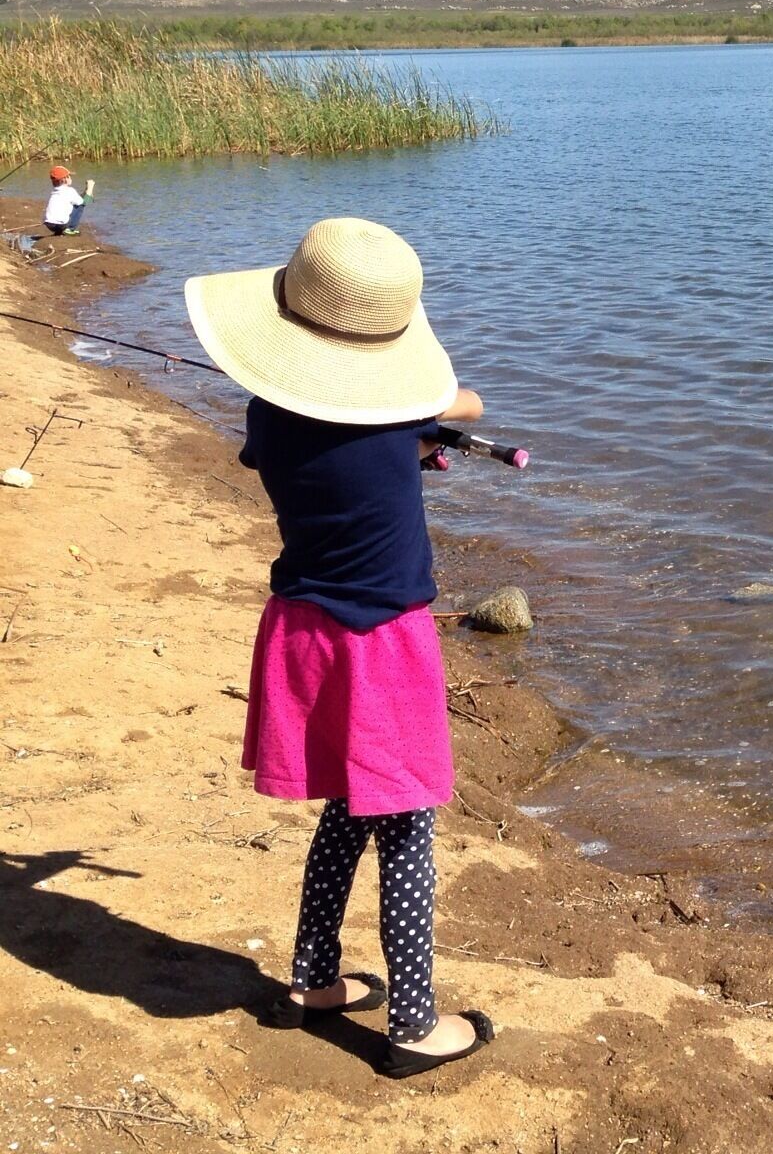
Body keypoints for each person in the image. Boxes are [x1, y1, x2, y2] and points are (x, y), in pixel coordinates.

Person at [183, 217, 496, 1080]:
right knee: (403, 826)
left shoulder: (267, 412)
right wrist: (428, 427)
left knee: (347, 809)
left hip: (300, 635)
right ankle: (414, 1025)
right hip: (380, 646)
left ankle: (316, 978)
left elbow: (316, 451)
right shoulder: (403, 418)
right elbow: (461, 402)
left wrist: (410, 439)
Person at [43, 166, 91, 235]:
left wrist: (85, 190)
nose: (71, 178)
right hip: (60, 225)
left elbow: (77, 198)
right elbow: (85, 201)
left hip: (49, 225)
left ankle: (59, 232)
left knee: (74, 204)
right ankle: (70, 229)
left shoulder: (54, 192)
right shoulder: (69, 190)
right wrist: (90, 186)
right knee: (80, 205)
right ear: (65, 179)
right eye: (69, 176)